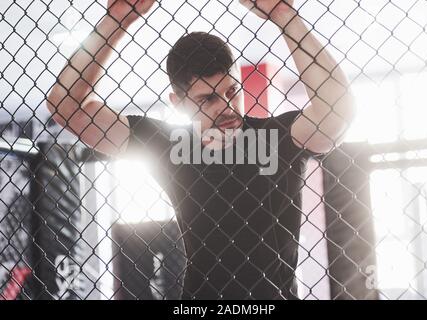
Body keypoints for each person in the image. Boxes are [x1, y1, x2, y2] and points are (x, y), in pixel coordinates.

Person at [46, 0, 356, 299]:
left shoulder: (275, 137)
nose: (226, 107)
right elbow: (65, 107)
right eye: (207, 99)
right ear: (177, 103)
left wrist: (284, 15)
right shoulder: (166, 144)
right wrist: (117, 19)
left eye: (231, 91)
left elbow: (337, 114)